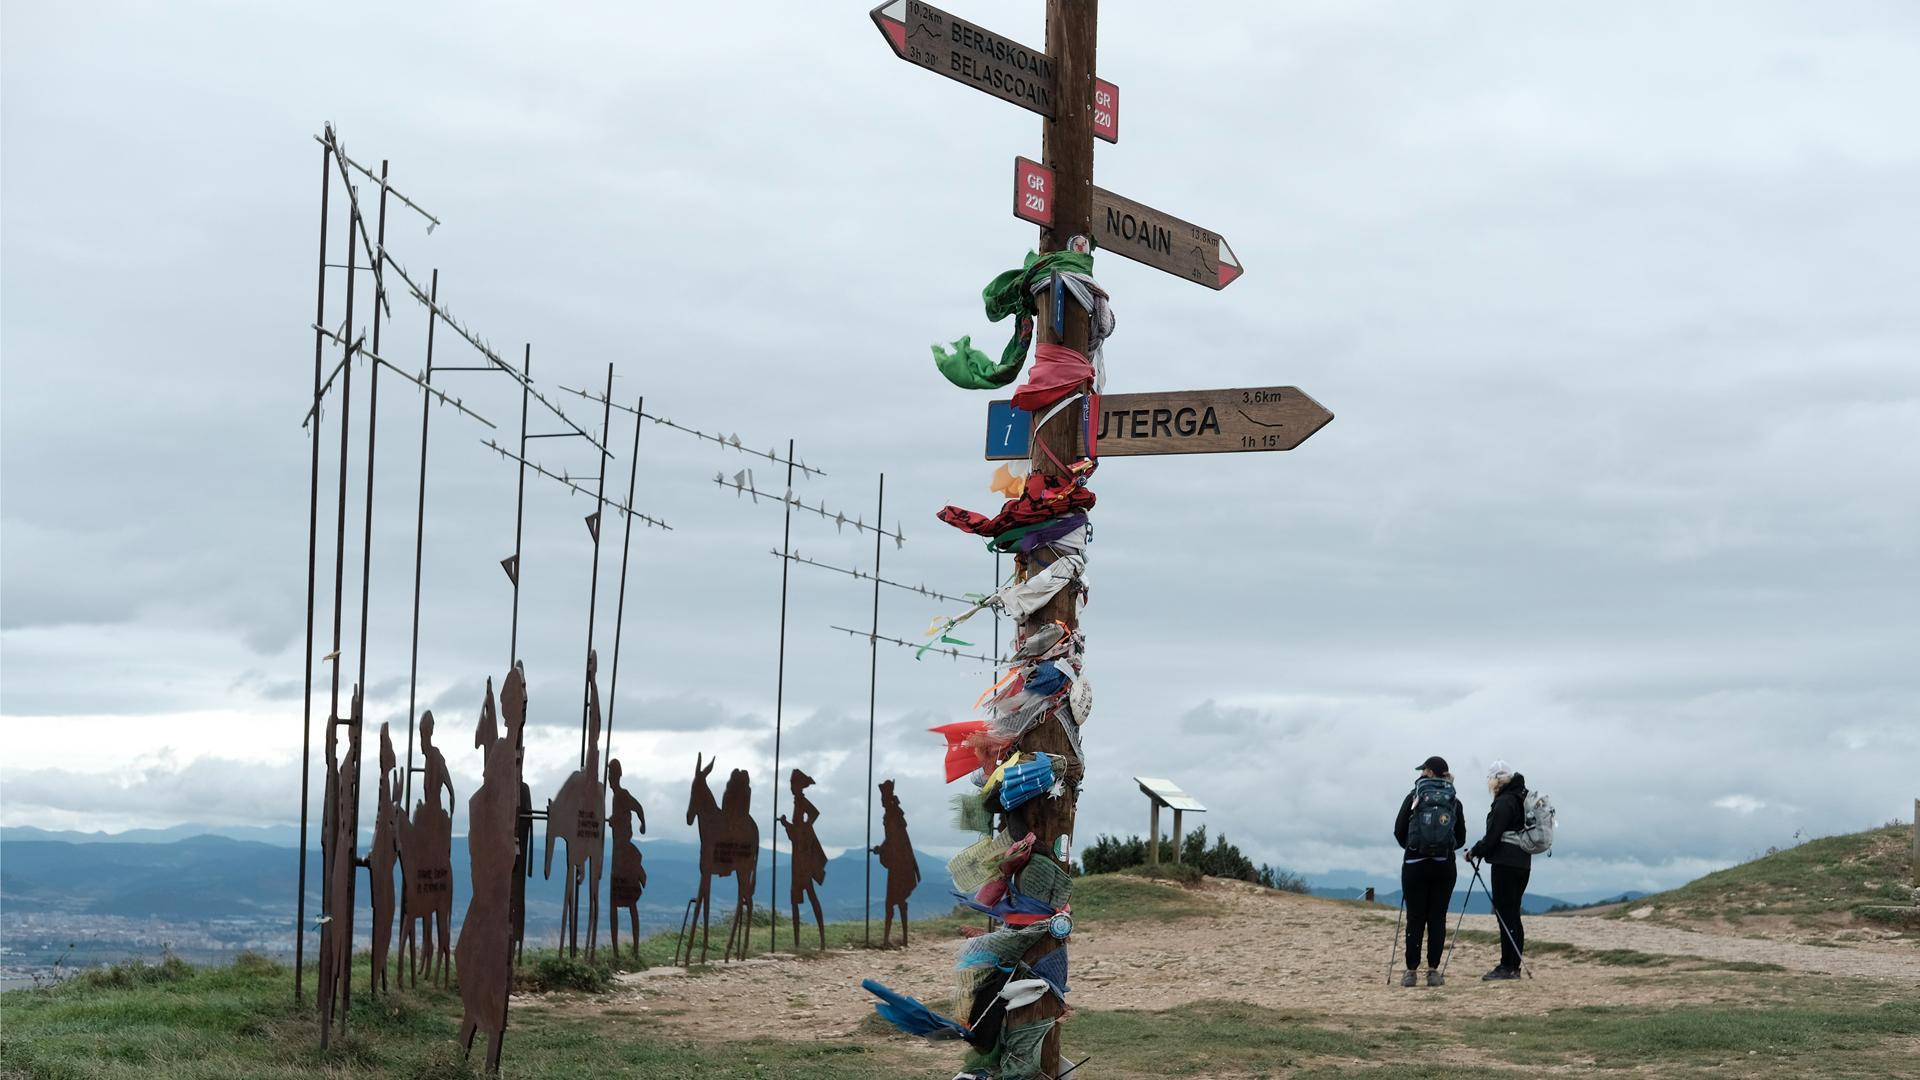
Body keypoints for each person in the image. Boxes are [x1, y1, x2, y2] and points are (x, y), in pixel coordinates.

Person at [1392, 754, 1466, 986]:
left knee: (1415, 917)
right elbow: (1461, 838)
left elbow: (1398, 830)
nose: (1420, 774)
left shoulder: (1413, 797)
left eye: (1423, 770)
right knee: (1437, 917)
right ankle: (1433, 971)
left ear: (1431, 772)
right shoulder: (1454, 801)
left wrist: (1415, 848)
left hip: (1415, 864)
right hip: (1444, 866)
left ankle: (1410, 972)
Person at [1467, 760, 1531, 981]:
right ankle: (1514, 965)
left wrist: (1475, 851)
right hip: (1523, 863)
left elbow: (1494, 835)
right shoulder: (1522, 798)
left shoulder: (1504, 801)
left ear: (1496, 780)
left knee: (1505, 914)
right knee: (1513, 913)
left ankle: (1508, 966)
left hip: (1506, 864)